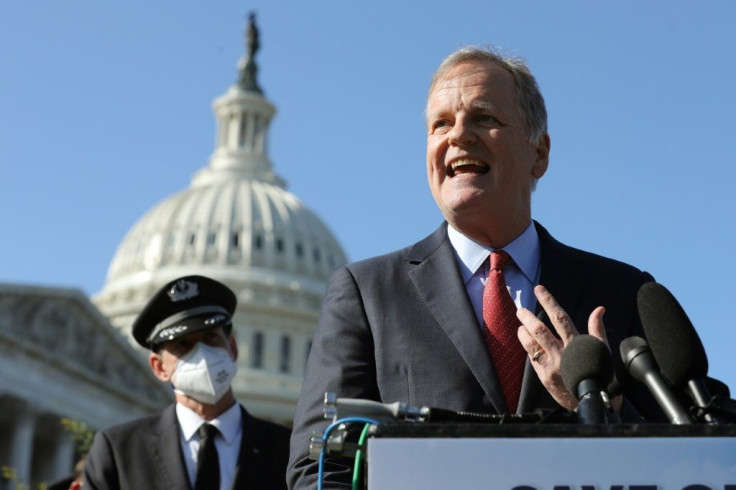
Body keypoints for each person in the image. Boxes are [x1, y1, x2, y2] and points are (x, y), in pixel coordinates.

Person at [287, 46, 675, 488]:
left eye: (484, 118)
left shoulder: (624, 293)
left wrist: (601, 408)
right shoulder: (366, 293)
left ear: (539, 153)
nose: (459, 136)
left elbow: (698, 454)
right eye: (441, 124)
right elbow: (319, 469)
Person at [84, 275, 290, 490]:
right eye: (183, 345)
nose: (201, 354)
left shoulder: (289, 451)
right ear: (159, 367)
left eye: (210, 337)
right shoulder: (120, 451)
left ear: (233, 348)